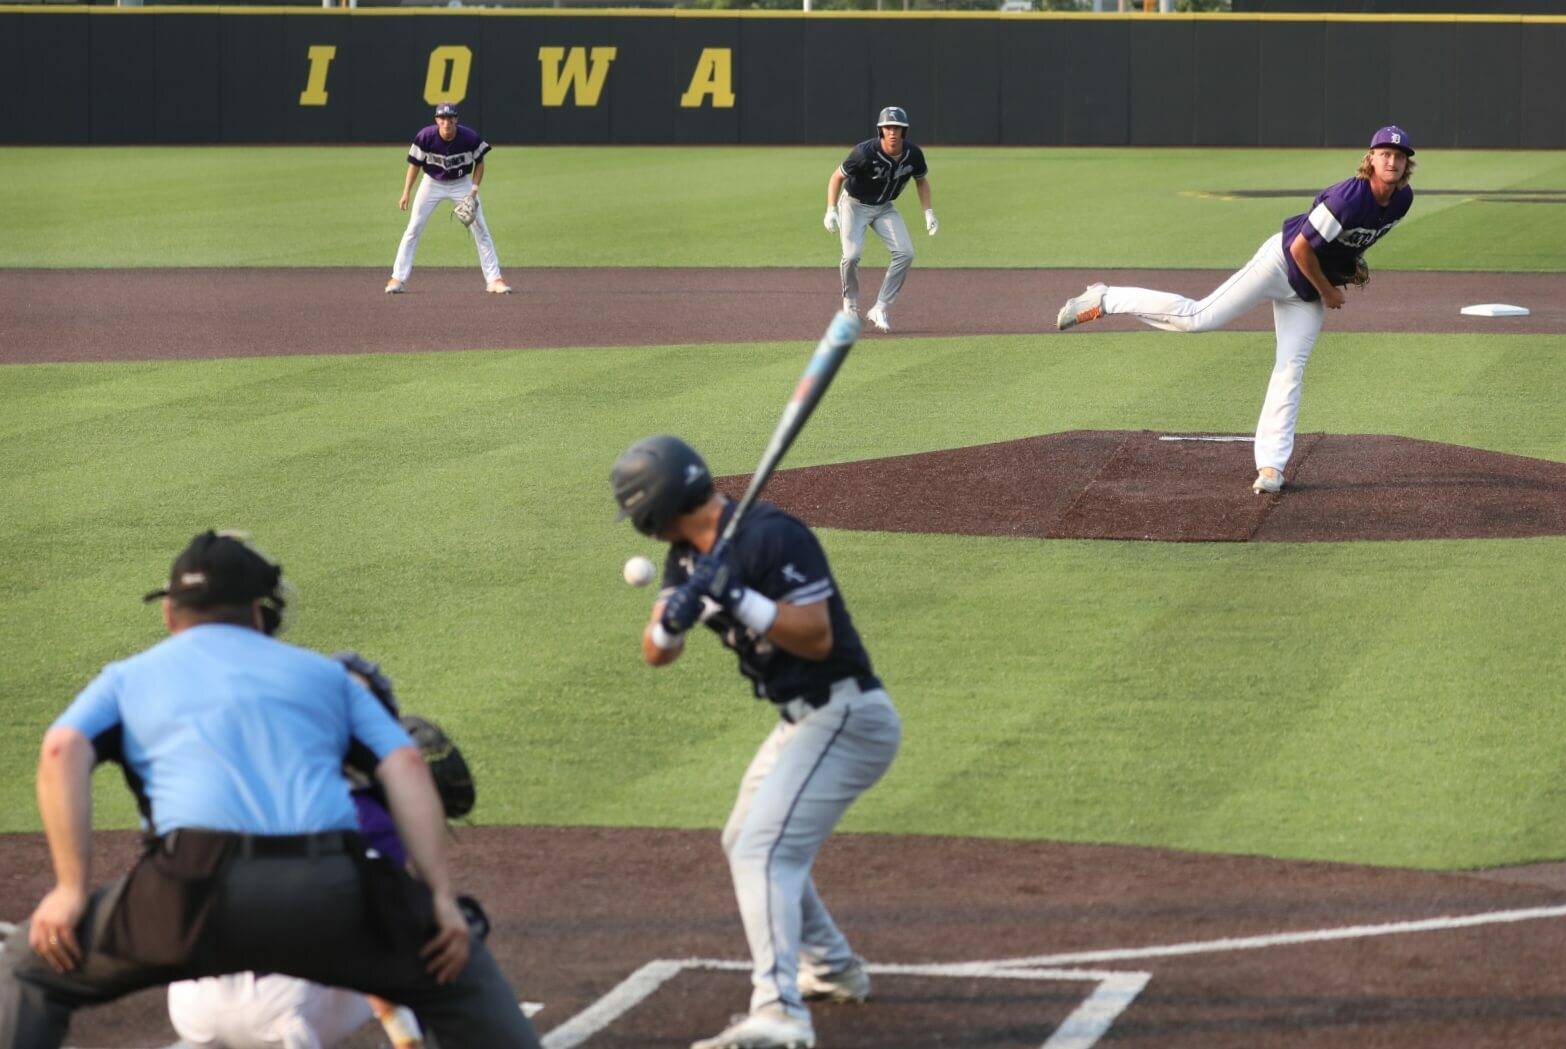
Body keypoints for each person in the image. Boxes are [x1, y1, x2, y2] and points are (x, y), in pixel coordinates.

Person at [0, 531, 540, 1049]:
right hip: (328, 890)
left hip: (186, 894)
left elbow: (60, 751)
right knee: (454, 964)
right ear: (260, 613)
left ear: (169, 614)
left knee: (32, 968)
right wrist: (439, 898)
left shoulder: (126, 677)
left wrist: (70, 888)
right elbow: (404, 763)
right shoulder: (324, 677)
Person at [611, 437, 902, 1049]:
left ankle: (779, 1009)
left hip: (848, 717)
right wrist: (671, 620)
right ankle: (831, 967)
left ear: (654, 510)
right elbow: (656, 653)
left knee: (763, 852)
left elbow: (818, 638)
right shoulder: (688, 555)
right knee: (745, 838)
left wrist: (739, 597)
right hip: (799, 722)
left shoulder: (773, 536)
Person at [1056, 124, 1417, 494]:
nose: (1392, 160)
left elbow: (1350, 240)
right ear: (1370, 159)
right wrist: (1328, 290)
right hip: (1279, 265)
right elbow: (1301, 249)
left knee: (1291, 368)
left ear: (1407, 166)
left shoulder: (1402, 201)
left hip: (1305, 292)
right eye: (1385, 154)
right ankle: (1105, 298)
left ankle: (1272, 467)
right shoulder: (1348, 198)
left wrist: (1349, 259)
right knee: (1199, 317)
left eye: (1399, 156)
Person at [165, 652, 471, 1049]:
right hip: (281, 1017)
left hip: (190, 1001)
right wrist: (404, 1036)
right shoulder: (371, 821)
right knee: (427, 925)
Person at [824, 106, 937, 334]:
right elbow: (836, 177)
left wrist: (928, 212)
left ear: (904, 131)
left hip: (884, 207)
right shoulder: (864, 153)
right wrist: (831, 209)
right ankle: (850, 306)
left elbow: (921, 180)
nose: (892, 132)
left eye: (897, 128)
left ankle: (880, 307)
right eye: (888, 127)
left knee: (906, 253)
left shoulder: (913, 154)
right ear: (881, 130)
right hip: (854, 205)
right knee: (852, 255)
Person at [386, 101, 511, 296]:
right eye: (442, 118)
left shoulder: (469, 137)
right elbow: (415, 165)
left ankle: (494, 279)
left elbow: (480, 162)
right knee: (413, 229)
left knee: (481, 229)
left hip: (461, 183)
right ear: (437, 120)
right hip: (431, 183)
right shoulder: (425, 137)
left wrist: (474, 189)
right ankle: (397, 278)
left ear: (456, 119)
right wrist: (406, 192)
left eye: (450, 118)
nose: (446, 122)